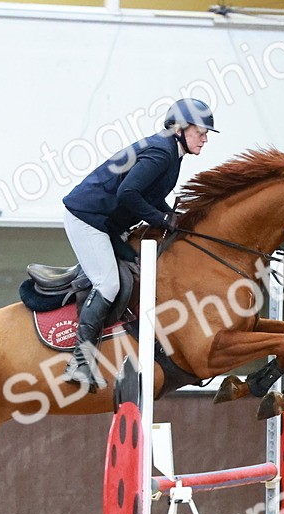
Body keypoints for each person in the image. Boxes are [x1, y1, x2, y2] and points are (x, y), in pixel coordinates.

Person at [60, 98, 217, 390]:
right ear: (180, 129)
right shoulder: (161, 152)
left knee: (138, 271)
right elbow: (128, 194)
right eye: (201, 131)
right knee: (108, 285)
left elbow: (150, 193)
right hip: (87, 218)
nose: (205, 138)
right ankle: (80, 361)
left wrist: (170, 216)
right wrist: (161, 219)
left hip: (106, 223)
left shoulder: (172, 152)